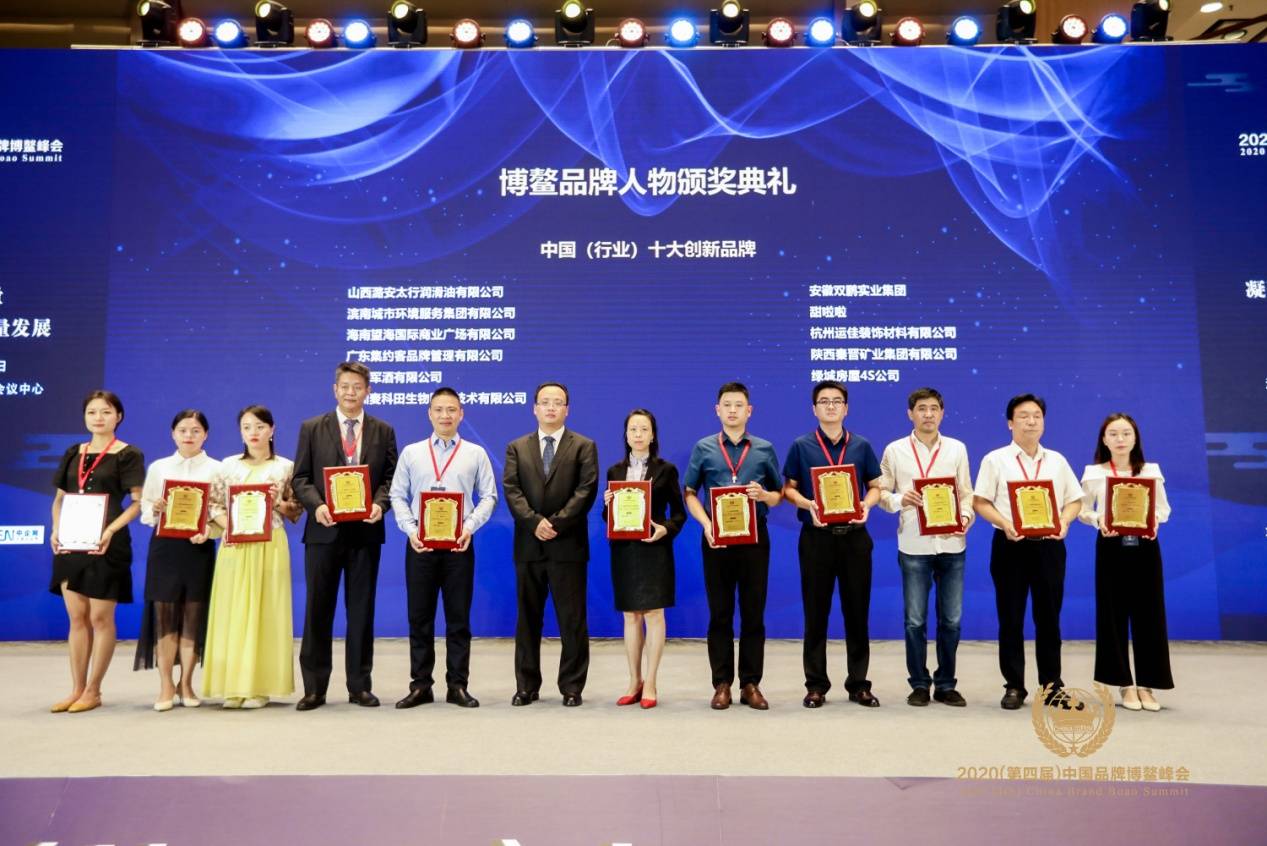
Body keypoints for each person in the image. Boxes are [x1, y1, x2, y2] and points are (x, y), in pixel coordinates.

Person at [291, 361, 398, 711]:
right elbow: (300, 478)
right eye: (345, 386)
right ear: (335, 389)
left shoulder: (383, 430)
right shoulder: (312, 428)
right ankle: (314, 688)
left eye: (358, 387)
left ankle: (359, 686)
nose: (351, 393)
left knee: (362, 611)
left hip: (365, 533)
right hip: (323, 532)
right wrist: (317, 506)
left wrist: (380, 504)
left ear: (368, 391)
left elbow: (391, 479)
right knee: (317, 610)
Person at [389, 387, 497, 710]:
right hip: (420, 546)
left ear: (461, 414)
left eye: (451, 410)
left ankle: (457, 685)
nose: (445, 415)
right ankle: (421, 685)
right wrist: (411, 530)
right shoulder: (412, 453)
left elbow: (489, 496)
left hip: (459, 546)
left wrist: (469, 527)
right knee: (419, 618)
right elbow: (397, 495)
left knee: (458, 619)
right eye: (439, 409)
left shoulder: (475, 454)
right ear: (429, 413)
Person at [973, 393, 1082, 710]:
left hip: (1050, 546)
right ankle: (1014, 686)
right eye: (1023, 416)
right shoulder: (995, 460)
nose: (1031, 421)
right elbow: (980, 501)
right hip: (1011, 546)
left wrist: (1065, 520)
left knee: (1049, 619)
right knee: (1011, 618)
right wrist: (1004, 523)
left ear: (1043, 422)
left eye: (1037, 416)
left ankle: (1052, 687)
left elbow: (1074, 500)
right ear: (1010, 423)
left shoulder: (1057, 461)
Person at [782, 380, 883, 709]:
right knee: (815, 614)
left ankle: (859, 684)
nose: (830, 406)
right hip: (816, 540)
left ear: (846, 408)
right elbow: (788, 489)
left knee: (857, 614)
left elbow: (875, 486)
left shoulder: (861, 445)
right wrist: (807, 504)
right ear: (814, 409)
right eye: (824, 401)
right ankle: (815, 685)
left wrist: (867, 505)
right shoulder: (801, 446)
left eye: (836, 401)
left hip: (855, 539)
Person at [684, 382, 782, 711]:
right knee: (720, 613)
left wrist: (764, 495)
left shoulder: (764, 448)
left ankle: (750, 683)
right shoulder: (704, 448)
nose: (732, 410)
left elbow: (779, 494)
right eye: (726, 405)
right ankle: (722, 683)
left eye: (739, 405)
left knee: (754, 613)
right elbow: (689, 493)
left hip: (755, 540)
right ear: (717, 410)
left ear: (749, 410)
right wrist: (706, 524)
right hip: (717, 539)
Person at [503, 382, 599, 707]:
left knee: (572, 620)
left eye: (558, 402)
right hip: (528, 545)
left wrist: (555, 523)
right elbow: (512, 490)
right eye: (545, 402)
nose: (551, 407)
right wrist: (534, 522)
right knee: (527, 619)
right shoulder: (517, 447)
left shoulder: (583, 446)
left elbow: (586, 490)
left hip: (567, 545)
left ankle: (572, 686)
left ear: (566, 409)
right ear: (535, 408)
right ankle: (526, 685)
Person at [49, 390, 145, 713]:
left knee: (100, 617)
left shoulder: (128, 454)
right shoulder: (73, 452)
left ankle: (94, 690)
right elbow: (60, 499)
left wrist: (110, 530)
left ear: (118, 416)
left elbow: (137, 502)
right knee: (77, 618)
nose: (98, 418)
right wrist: (56, 529)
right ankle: (76, 689)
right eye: (92, 412)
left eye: (105, 411)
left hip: (107, 544)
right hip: (71, 543)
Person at [877, 387, 974, 708]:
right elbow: (881, 493)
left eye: (934, 408)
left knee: (951, 620)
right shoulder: (894, 450)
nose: (928, 414)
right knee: (915, 621)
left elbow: (966, 493)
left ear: (942, 413)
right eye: (921, 408)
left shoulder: (957, 448)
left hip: (952, 544)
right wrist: (899, 499)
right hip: (914, 544)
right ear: (910, 414)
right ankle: (919, 683)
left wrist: (965, 517)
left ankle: (946, 683)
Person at [201, 406, 302, 709]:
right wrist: (230, 527)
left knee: (267, 611)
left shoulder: (285, 467)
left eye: (259, 426)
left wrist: (277, 503)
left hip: (270, 544)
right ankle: (232, 687)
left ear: (272, 430)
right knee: (232, 611)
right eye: (247, 427)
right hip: (234, 545)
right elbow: (213, 505)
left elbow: (296, 511)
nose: (253, 433)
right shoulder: (228, 466)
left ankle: (259, 687)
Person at [1079, 413, 1174, 712]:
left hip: (1145, 546)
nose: (1120, 439)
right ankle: (1124, 683)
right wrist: (1098, 520)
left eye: (1126, 433)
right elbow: (1082, 509)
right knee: (1112, 614)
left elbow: (1164, 509)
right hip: (1110, 546)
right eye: (1113, 434)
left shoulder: (1151, 471)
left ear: (1135, 439)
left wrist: (1154, 521)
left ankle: (1147, 684)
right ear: (1104, 440)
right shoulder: (1094, 473)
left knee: (1150, 614)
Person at [133, 409, 222, 711]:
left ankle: (186, 683)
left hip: (198, 549)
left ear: (205, 435)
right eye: (183, 430)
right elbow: (146, 510)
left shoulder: (217, 469)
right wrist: (156, 508)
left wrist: (208, 532)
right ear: (173, 434)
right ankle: (165, 686)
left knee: (193, 617)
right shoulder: (159, 468)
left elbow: (221, 514)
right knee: (165, 617)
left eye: (195, 430)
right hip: (165, 549)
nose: (189, 436)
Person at [602, 409, 686, 709]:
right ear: (626, 436)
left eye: (644, 429)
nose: (638, 434)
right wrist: (607, 504)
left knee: (654, 614)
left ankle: (651, 682)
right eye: (633, 429)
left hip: (654, 549)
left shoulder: (666, 470)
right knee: (630, 615)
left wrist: (666, 529)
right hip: (625, 551)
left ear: (653, 435)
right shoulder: (614, 471)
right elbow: (608, 518)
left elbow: (679, 513)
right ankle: (633, 680)